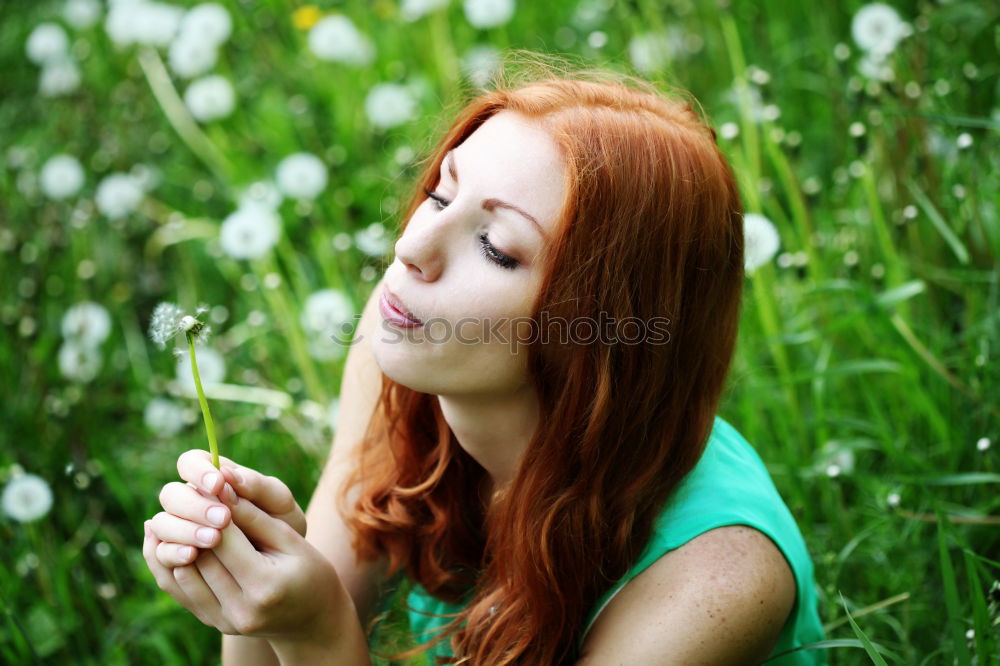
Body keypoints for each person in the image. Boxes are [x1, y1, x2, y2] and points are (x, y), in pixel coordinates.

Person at [142, 52, 827, 665]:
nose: (413, 249)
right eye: (441, 193)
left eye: (496, 246)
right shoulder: (398, 363)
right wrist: (252, 585)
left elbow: (318, 635)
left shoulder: (717, 580)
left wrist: (316, 633)